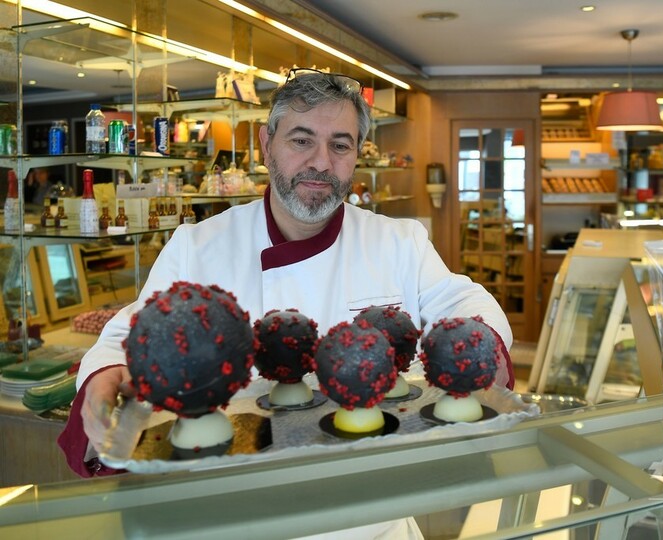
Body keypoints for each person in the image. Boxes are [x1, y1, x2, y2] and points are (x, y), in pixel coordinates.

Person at [58, 69, 514, 536]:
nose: (321, 162)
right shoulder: (197, 246)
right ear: (266, 144)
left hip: (371, 520)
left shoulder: (399, 242)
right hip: (235, 517)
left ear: (357, 153)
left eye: (340, 145)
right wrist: (105, 375)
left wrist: (483, 349)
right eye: (301, 140)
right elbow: (131, 333)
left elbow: (462, 300)